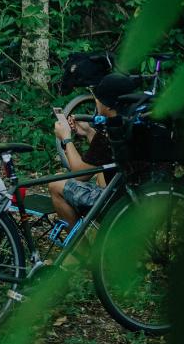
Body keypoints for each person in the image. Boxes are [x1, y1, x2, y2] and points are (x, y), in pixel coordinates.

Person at [48, 73, 136, 230]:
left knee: (55, 184)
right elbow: (106, 154)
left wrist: (66, 137)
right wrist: (89, 132)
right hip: (140, 197)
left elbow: (79, 173)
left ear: (108, 105)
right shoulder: (131, 122)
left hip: (118, 205)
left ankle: (80, 252)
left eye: (98, 99)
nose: (96, 102)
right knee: (99, 176)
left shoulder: (112, 132)